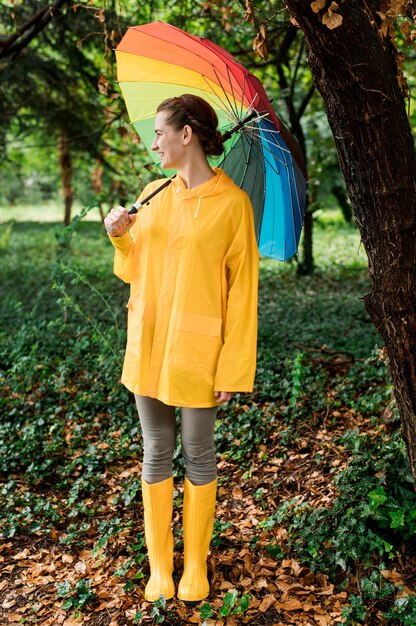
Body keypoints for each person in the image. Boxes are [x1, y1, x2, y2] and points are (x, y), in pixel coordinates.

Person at [104, 94, 259, 604]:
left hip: (198, 350)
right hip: (148, 342)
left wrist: (232, 367)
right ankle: (159, 569)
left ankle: (195, 565)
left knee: (198, 453)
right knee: (155, 451)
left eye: (159, 133)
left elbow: (244, 294)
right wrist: (120, 238)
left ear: (186, 134)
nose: (154, 144)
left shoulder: (232, 204)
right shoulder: (152, 196)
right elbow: (132, 269)